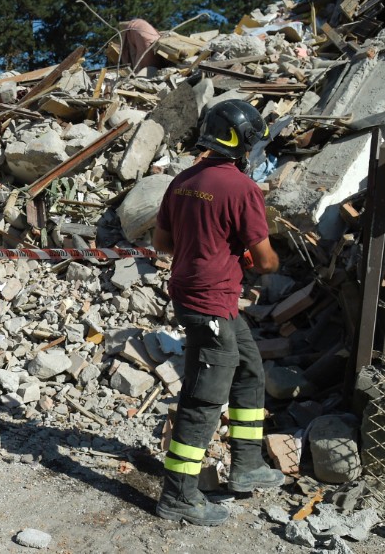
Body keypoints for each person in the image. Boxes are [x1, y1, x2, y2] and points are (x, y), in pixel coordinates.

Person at [152, 99, 284, 526]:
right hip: (211, 302)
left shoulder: (184, 180)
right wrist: (239, 254)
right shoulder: (242, 188)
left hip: (205, 298)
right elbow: (265, 263)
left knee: (248, 371)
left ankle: (247, 465)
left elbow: (164, 243)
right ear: (244, 142)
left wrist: (206, 245)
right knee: (202, 400)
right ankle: (177, 496)